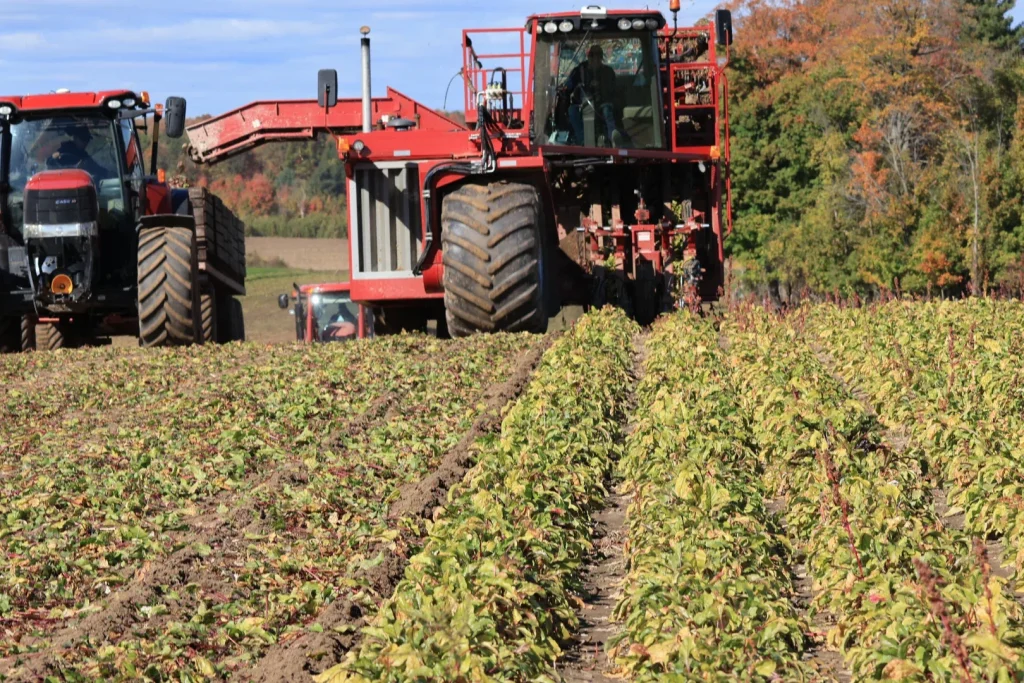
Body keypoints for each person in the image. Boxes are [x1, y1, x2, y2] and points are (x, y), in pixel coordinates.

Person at [565, 45, 630, 147]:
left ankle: (613, 138)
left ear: (601, 58)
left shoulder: (608, 72)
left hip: (603, 103)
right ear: (588, 56)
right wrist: (565, 88)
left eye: (598, 56)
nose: (595, 59)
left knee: (607, 111)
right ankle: (582, 140)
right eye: (592, 56)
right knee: (572, 111)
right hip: (583, 104)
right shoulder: (579, 70)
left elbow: (614, 90)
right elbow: (568, 86)